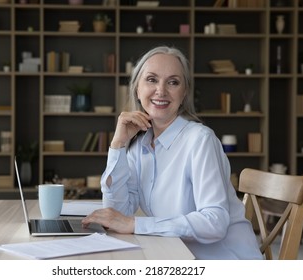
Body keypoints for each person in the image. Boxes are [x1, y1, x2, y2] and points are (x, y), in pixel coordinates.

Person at [82, 46, 262, 260]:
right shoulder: (139, 145)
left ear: (184, 92)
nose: (161, 90)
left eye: (173, 82)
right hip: (177, 257)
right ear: (137, 89)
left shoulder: (200, 140)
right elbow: (117, 214)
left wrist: (134, 224)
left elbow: (214, 222)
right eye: (151, 79)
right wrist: (118, 145)